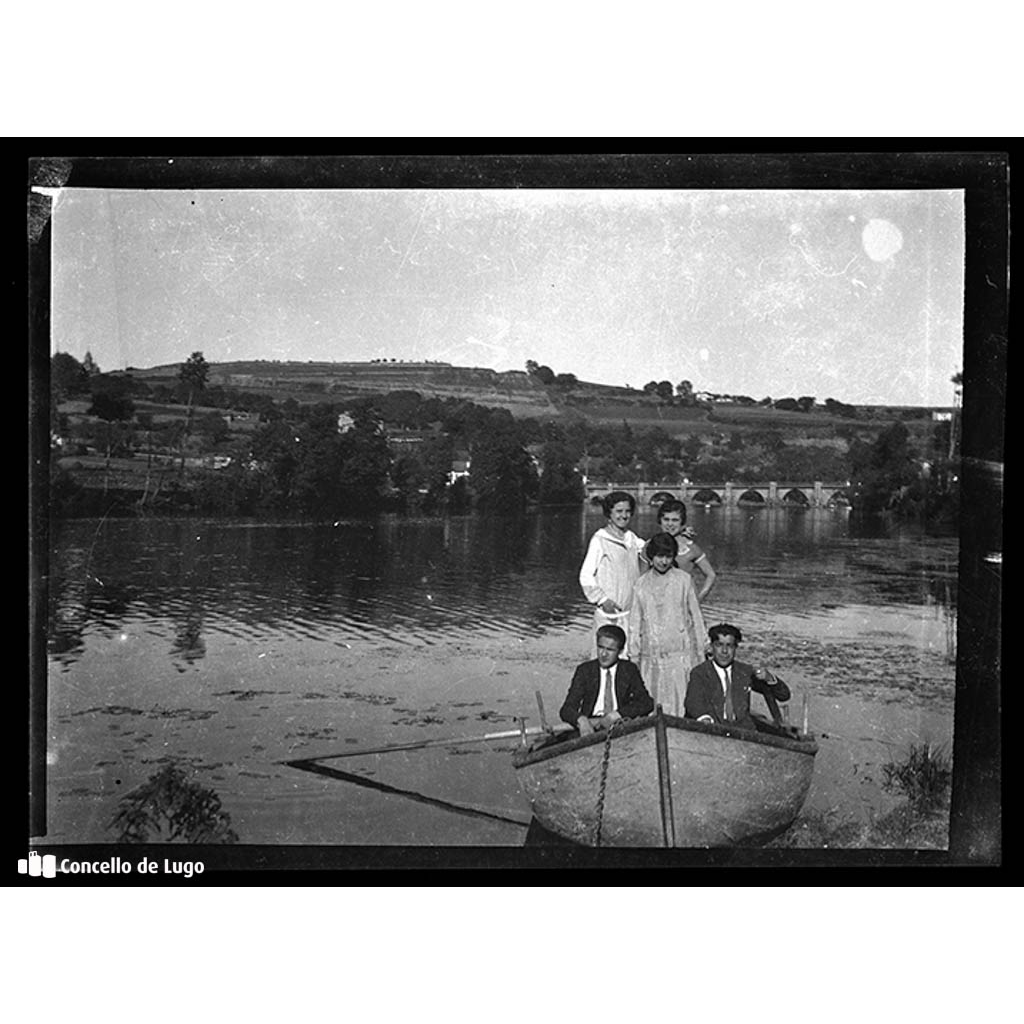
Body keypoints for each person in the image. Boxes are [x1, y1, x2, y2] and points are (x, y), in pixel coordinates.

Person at [628, 533, 707, 717]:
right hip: (651, 656)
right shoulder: (641, 584)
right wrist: (634, 657)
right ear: (651, 556)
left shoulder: (683, 580)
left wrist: (701, 650)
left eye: (668, 556)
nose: (664, 561)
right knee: (652, 704)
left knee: (681, 704)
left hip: (679, 655)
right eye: (659, 556)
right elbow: (634, 625)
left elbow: (696, 616)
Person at [684, 623, 791, 731]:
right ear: (712, 647)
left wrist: (769, 677)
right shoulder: (700, 673)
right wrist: (704, 719)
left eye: (729, 646)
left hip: (743, 731)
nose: (724, 651)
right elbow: (693, 702)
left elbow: (784, 695)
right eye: (719, 645)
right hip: (714, 729)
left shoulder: (744, 672)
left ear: (735, 648)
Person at [578, 490, 647, 655]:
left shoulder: (631, 538)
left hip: (629, 614)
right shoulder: (600, 540)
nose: (624, 516)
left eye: (627, 511)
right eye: (619, 511)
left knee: (627, 661)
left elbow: (652, 548)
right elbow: (586, 576)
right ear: (609, 513)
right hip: (608, 615)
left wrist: (678, 535)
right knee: (603, 658)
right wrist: (602, 600)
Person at [559, 624, 654, 736]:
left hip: (619, 726)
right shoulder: (585, 670)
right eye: (600, 647)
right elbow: (566, 709)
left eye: (610, 650)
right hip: (590, 728)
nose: (603, 654)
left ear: (620, 651)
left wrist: (616, 715)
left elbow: (646, 703)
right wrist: (581, 720)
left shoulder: (628, 670)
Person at [656, 499, 717, 601]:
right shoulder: (651, 545)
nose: (670, 524)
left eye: (675, 520)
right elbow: (640, 578)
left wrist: (698, 599)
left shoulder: (690, 549)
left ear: (682, 523)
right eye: (666, 519)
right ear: (660, 521)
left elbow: (711, 575)